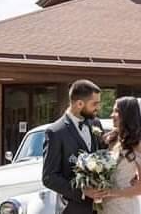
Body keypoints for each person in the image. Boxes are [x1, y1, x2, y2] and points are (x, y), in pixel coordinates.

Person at [42, 79, 106, 214]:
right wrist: (82, 191)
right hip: (73, 208)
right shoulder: (55, 132)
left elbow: (104, 155)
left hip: (101, 208)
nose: (98, 108)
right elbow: (49, 177)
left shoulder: (96, 124)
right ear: (79, 104)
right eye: (94, 104)